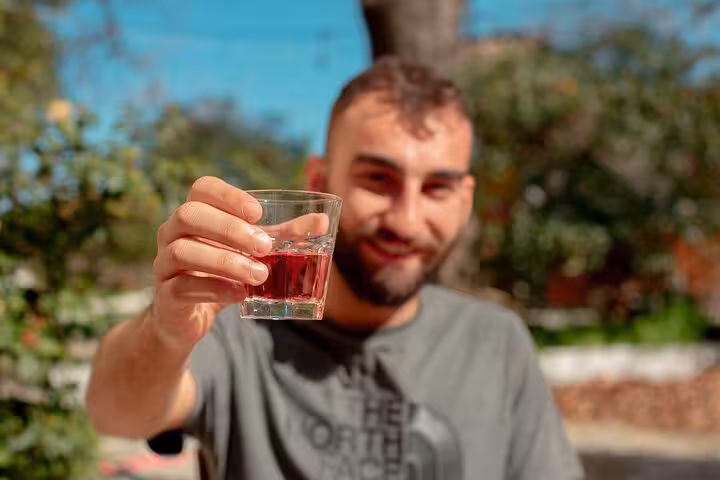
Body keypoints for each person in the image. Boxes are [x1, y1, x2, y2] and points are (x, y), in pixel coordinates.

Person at [86, 57, 584, 480]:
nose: (407, 221)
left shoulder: (497, 342)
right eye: (378, 179)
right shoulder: (234, 326)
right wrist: (166, 332)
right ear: (320, 180)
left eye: (437, 187)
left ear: (465, 200)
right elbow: (114, 411)